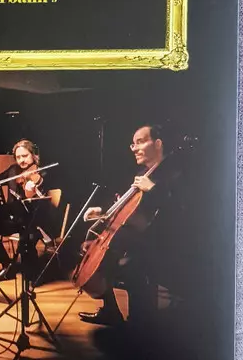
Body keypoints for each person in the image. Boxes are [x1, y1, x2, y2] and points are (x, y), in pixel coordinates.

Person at [78, 124, 182, 326]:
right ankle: (111, 310)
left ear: (158, 144)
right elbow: (128, 210)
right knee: (88, 252)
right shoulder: (143, 173)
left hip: (162, 243)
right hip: (138, 239)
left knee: (127, 264)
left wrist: (153, 189)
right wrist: (103, 211)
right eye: (133, 144)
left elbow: (181, 212)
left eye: (140, 142)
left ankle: (140, 326)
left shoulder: (173, 174)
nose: (134, 148)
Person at [0, 139, 51, 283]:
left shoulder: (41, 172)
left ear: (34, 156)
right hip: (13, 220)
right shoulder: (13, 170)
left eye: (25, 156)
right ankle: (8, 267)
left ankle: (33, 275)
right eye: (18, 157)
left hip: (33, 221)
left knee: (27, 239)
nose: (21, 160)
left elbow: (43, 197)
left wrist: (32, 189)